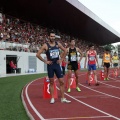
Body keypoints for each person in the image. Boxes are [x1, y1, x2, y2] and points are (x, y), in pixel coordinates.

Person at [36, 30, 71, 104]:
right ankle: (52, 98)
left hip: (57, 65)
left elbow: (65, 51)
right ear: (49, 37)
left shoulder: (58, 44)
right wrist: (45, 61)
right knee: (51, 82)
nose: (52, 37)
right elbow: (38, 54)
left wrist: (61, 59)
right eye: (51, 36)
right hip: (50, 66)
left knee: (61, 82)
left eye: (53, 36)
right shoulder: (45, 45)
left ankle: (63, 98)